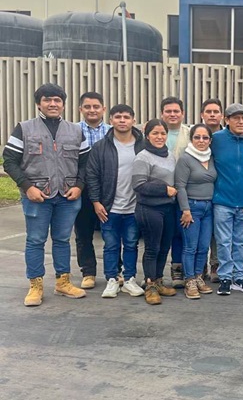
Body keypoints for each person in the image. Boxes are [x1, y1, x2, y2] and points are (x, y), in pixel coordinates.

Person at [3, 83, 90, 306]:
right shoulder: (24, 128)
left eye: (57, 100)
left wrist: (79, 185)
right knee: (35, 240)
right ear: (39, 103)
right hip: (37, 196)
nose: (52, 104)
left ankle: (63, 282)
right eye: (47, 100)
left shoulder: (76, 131)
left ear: (63, 104)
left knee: (62, 239)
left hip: (68, 196)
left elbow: (85, 163)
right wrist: (27, 186)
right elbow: (10, 161)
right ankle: (35, 285)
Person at [85, 104, 146, 299]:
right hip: (109, 207)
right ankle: (112, 279)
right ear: (110, 120)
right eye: (117, 117)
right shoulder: (101, 146)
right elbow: (92, 176)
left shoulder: (142, 145)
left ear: (133, 120)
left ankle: (129, 279)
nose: (122, 120)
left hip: (134, 207)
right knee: (110, 245)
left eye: (126, 117)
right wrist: (96, 201)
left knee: (131, 244)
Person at [210, 104, 243, 295]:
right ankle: (225, 277)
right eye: (236, 118)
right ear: (227, 120)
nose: (241, 122)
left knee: (241, 242)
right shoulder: (216, 140)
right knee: (224, 241)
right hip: (223, 201)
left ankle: (239, 277)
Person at [132, 119, 178, 305]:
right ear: (147, 135)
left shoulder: (170, 156)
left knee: (164, 247)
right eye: (155, 133)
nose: (159, 137)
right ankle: (149, 285)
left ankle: (158, 280)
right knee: (152, 248)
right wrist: (164, 189)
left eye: (162, 133)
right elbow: (138, 185)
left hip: (168, 208)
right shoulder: (143, 157)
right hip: (149, 209)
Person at [175, 124, 217, 299]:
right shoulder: (185, 159)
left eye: (205, 137)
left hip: (209, 208)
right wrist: (185, 210)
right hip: (191, 207)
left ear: (210, 140)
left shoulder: (211, 157)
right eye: (197, 137)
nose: (201, 141)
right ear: (191, 139)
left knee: (203, 246)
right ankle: (189, 280)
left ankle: (199, 277)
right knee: (190, 246)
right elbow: (180, 186)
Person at [74, 91, 110, 290]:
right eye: (87, 107)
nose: (92, 110)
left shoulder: (114, 131)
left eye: (96, 106)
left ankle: (115, 271)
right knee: (83, 232)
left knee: (112, 233)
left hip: (109, 190)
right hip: (82, 189)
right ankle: (88, 272)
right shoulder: (72, 131)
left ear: (103, 109)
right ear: (81, 109)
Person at [160, 96, 190, 288]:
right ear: (162, 114)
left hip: (184, 191)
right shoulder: (154, 132)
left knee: (182, 231)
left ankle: (179, 268)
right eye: (168, 111)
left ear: (182, 113)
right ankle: (155, 275)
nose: (172, 114)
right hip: (160, 192)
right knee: (161, 234)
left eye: (176, 111)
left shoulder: (190, 133)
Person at [199, 98, 223, 282]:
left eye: (216, 111)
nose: (212, 115)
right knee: (201, 232)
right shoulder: (196, 134)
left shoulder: (226, 136)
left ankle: (216, 264)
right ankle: (200, 266)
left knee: (217, 232)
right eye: (209, 111)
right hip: (199, 191)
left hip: (221, 190)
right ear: (202, 115)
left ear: (221, 115)